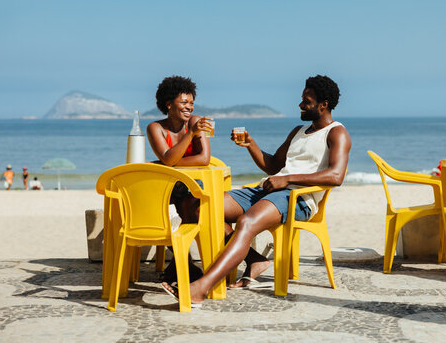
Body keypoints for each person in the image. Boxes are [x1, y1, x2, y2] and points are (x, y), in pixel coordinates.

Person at [162, 74, 351, 304]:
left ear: (324, 105)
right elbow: (272, 166)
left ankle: (200, 287)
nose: (301, 104)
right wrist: (251, 144)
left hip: (298, 198)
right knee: (201, 207)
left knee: (246, 222)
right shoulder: (298, 131)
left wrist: (287, 179)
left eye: (307, 101)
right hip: (268, 190)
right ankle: (255, 260)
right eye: (302, 99)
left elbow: (336, 175)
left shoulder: (336, 132)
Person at [147, 75, 214, 285]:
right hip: (167, 189)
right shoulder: (155, 128)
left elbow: (204, 159)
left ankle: (180, 265)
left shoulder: (195, 122)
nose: (189, 107)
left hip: (192, 186)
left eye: (191, 103)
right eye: (184, 102)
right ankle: (184, 264)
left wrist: (172, 161)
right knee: (158, 211)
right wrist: (189, 137)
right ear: (169, 104)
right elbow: (167, 159)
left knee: (189, 205)